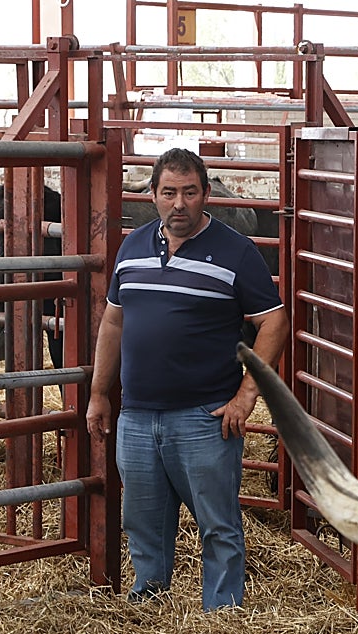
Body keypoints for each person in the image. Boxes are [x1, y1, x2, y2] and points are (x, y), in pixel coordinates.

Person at [85, 147, 289, 610]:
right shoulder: (131, 246)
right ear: (151, 194)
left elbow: (274, 321)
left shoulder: (237, 251)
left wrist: (246, 396)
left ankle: (222, 615)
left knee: (217, 524)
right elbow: (113, 322)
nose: (179, 203)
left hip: (204, 416)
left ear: (207, 195)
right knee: (141, 519)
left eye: (190, 192)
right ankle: (150, 600)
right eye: (169, 192)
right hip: (137, 413)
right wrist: (100, 394)